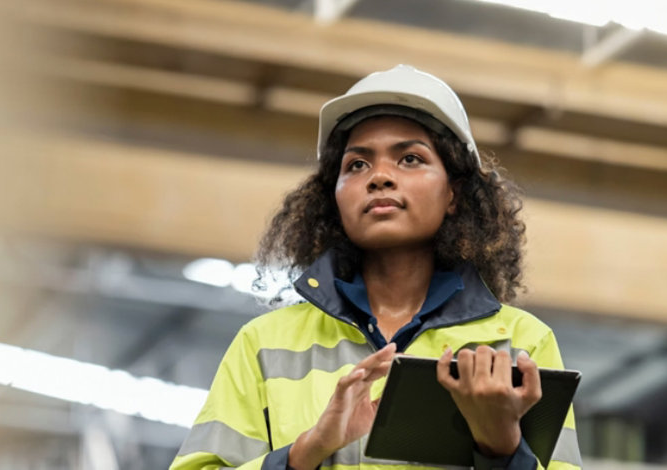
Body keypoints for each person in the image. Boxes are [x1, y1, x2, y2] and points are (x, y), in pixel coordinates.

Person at [170, 65, 581, 470]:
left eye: (410, 159)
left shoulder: (522, 345)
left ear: (453, 194)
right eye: (357, 165)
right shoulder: (264, 345)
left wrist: (502, 449)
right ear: (334, 198)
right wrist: (308, 450)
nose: (380, 176)